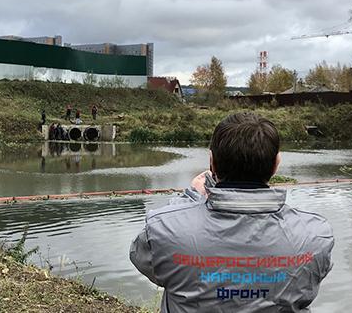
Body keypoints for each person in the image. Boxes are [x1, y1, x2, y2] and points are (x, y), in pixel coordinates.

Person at [129, 113, 334, 312]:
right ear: (276, 164)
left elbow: (144, 260)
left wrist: (191, 196)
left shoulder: (164, 229)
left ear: (212, 163)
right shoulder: (315, 234)